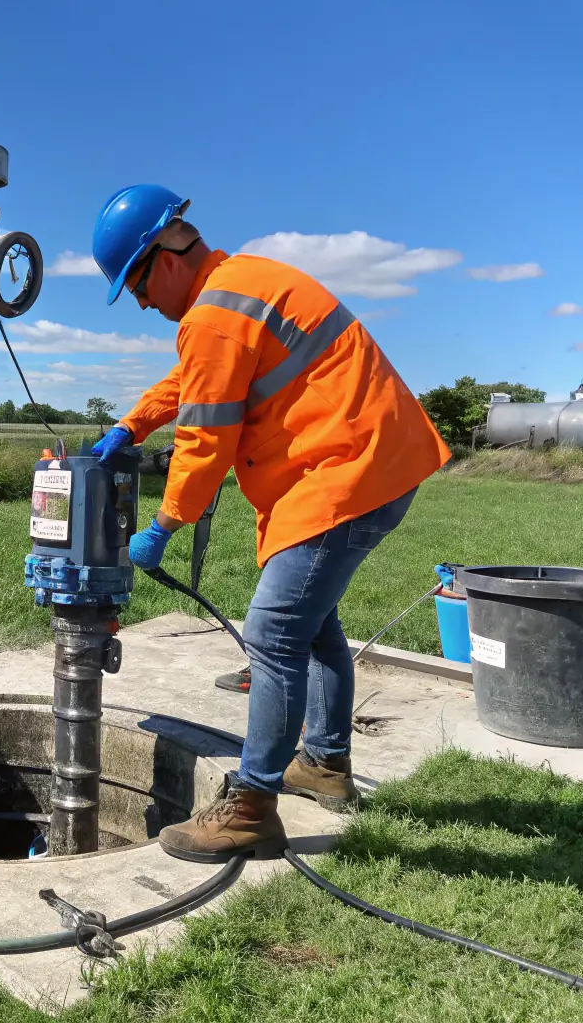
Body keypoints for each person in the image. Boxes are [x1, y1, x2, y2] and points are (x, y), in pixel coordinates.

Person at [89, 185, 450, 862]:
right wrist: (130, 422)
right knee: (313, 630)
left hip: (344, 471)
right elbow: (192, 381)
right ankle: (322, 764)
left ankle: (250, 807)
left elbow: (203, 435)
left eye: (135, 286)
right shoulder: (236, 289)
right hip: (366, 463)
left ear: (162, 256)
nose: (139, 303)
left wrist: (164, 523)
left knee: (274, 633)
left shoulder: (214, 314)